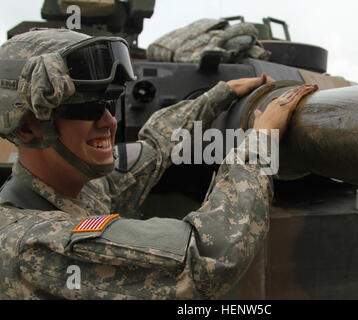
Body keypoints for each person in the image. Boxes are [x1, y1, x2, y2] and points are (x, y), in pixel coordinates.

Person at [0, 29, 317, 299]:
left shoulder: (83, 189)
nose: (109, 121)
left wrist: (217, 96)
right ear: (28, 127)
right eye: (88, 108)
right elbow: (207, 257)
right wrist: (260, 142)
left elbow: (154, 146)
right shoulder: (31, 244)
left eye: (110, 104)